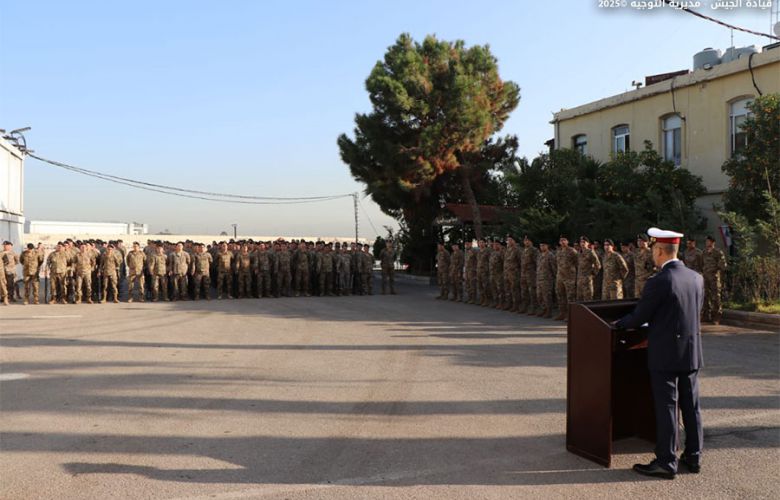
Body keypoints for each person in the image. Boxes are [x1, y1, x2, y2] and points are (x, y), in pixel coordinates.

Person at [615, 227, 704, 480]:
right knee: (691, 406)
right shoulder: (695, 277)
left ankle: (666, 461)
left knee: (667, 406)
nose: (653, 255)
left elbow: (640, 316)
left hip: (666, 354)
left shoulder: (660, 281)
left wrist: (618, 324)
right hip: (690, 352)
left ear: (659, 250)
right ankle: (694, 457)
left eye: (654, 250)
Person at [702, 235, 727, 324]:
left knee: (716, 297)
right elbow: (702, 264)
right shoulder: (704, 252)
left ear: (712, 242)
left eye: (708, 241)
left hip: (714, 278)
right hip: (705, 277)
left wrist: (718, 267)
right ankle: (706, 315)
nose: (706, 243)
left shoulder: (718, 252)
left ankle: (716, 317)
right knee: (705, 296)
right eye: (706, 241)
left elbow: (723, 265)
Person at [554, 236, 578, 321]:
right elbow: (555, 263)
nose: (562, 242)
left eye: (564, 240)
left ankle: (570, 315)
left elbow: (577, 262)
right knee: (560, 295)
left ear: (567, 241)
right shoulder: (559, 251)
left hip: (569, 277)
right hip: (560, 277)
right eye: (561, 240)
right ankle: (562, 313)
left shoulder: (572, 251)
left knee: (570, 296)